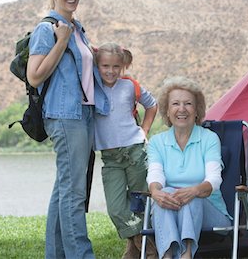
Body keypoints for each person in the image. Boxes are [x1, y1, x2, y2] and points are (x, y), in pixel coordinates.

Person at [27, 0, 109, 259]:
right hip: (65, 116)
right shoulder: (47, 29)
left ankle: (57, 254)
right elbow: (34, 76)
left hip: (83, 114)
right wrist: (61, 41)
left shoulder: (78, 28)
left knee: (64, 189)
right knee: (75, 193)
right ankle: (81, 255)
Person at [146, 76, 232, 259]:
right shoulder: (156, 142)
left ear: (197, 110)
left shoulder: (209, 139)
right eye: (175, 103)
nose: (182, 109)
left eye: (188, 104)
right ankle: (167, 256)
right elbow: (155, 175)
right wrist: (155, 192)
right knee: (164, 194)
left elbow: (214, 179)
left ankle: (186, 255)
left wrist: (194, 190)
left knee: (192, 197)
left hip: (210, 211)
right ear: (167, 111)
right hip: (169, 210)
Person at [93, 42, 158, 258]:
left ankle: (133, 249)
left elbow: (152, 104)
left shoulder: (130, 85)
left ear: (122, 66)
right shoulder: (91, 86)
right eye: (105, 66)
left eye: (115, 67)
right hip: (111, 158)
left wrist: (145, 130)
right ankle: (146, 247)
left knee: (140, 203)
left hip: (136, 152)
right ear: (97, 65)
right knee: (116, 208)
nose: (110, 71)